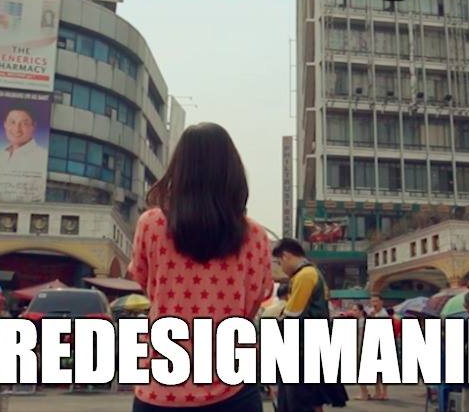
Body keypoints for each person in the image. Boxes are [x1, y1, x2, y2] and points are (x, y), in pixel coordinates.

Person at [127, 122, 273, 411]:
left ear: (179, 170)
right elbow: (253, 303)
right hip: (232, 387)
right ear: (232, 172)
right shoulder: (255, 236)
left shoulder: (151, 224)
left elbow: (146, 283)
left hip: (160, 386)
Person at [273, 239, 349, 412]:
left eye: (279, 262)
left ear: (286, 256)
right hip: (313, 349)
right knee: (313, 403)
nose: (280, 267)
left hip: (302, 352)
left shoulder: (305, 275)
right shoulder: (312, 272)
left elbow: (292, 315)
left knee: (299, 405)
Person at [0, 104, 47, 202]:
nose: (17, 129)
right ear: (5, 124)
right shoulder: (2, 154)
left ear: (33, 126)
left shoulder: (42, 157)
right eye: (12, 122)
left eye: (24, 124)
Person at [363, 295, 389, 400]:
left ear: (381, 302)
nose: (374, 303)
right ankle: (377, 392)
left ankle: (384, 392)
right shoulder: (371, 312)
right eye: (372, 301)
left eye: (376, 301)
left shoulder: (384, 313)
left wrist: (373, 318)